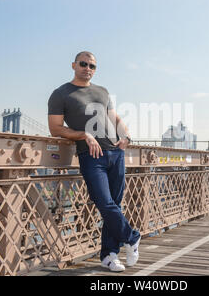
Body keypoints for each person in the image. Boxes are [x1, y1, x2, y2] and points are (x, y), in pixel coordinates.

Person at [48, 51, 141, 272]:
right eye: (83, 64)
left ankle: (109, 256)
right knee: (104, 202)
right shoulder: (60, 94)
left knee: (115, 206)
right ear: (73, 65)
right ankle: (132, 237)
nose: (87, 68)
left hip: (115, 153)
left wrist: (126, 136)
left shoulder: (102, 91)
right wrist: (84, 135)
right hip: (91, 155)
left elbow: (115, 118)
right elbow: (55, 129)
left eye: (92, 66)